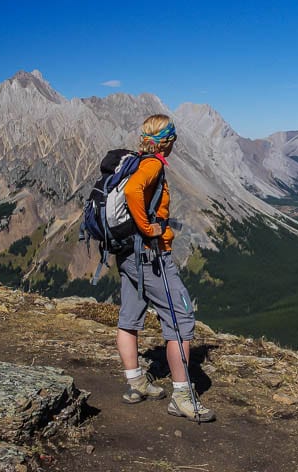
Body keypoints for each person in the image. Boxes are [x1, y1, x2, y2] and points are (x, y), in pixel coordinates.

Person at [115, 114, 215, 422]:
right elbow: (133, 192)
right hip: (150, 256)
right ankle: (183, 397)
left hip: (128, 254)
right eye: (173, 141)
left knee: (129, 317)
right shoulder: (153, 164)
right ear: (167, 142)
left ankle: (136, 383)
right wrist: (148, 228)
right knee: (181, 321)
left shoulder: (133, 161)